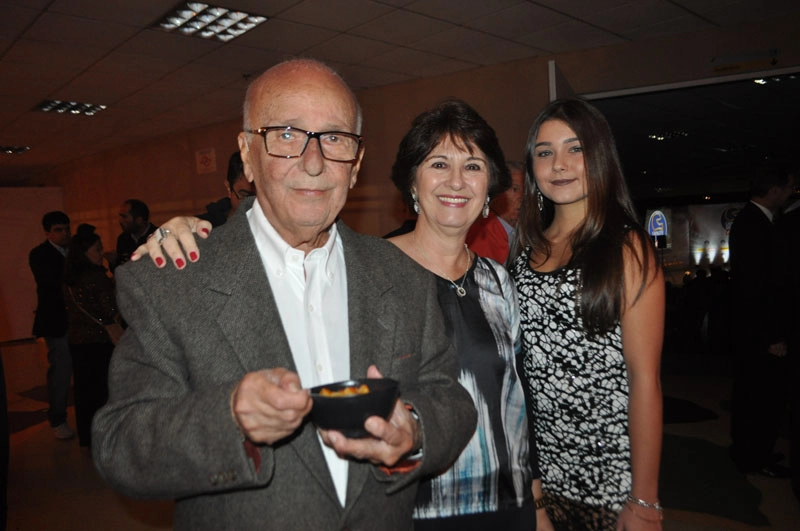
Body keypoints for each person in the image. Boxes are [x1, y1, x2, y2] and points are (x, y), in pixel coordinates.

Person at [91, 58, 476, 531]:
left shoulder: (403, 275)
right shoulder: (171, 280)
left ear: (355, 165)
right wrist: (228, 418)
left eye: (334, 138)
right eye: (287, 135)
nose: (313, 163)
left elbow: (451, 399)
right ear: (248, 154)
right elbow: (120, 444)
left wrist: (413, 429)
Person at [509, 98, 664, 530]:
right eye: (544, 152)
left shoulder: (627, 247)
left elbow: (645, 380)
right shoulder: (524, 250)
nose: (558, 164)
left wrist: (645, 499)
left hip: (609, 479)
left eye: (574, 148)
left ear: (600, 156)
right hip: (538, 475)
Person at [386, 100, 536, 529]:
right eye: (438, 163)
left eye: (472, 166)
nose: (456, 181)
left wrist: (537, 499)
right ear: (413, 182)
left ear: (489, 187)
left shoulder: (498, 281)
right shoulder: (374, 274)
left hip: (509, 504)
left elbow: (519, 398)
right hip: (416, 510)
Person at [728, 165, 795, 478]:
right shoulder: (755, 224)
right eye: (788, 188)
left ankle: (751, 452)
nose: (791, 193)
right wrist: (774, 335)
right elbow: (759, 287)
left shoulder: (751, 221)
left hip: (752, 328)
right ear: (774, 191)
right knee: (762, 396)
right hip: (759, 330)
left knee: (752, 394)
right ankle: (754, 457)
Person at [63, 224, 117, 448]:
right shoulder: (97, 277)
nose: (101, 252)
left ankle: (87, 436)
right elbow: (111, 310)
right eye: (97, 249)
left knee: (85, 393)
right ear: (84, 253)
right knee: (103, 391)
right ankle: (106, 437)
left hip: (77, 342)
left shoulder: (69, 279)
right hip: (100, 342)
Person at [28, 210, 74, 440]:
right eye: (59, 230)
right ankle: (57, 418)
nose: (65, 233)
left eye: (67, 228)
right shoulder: (39, 254)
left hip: (77, 320)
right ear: (47, 233)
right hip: (56, 320)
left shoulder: (73, 250)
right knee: (61, 370)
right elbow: (51, 283)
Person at [466, 160, 524, 263]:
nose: (522, 197)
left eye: (526, 191)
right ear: (497, 192)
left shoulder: (527, 234)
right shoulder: (481, 236)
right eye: (515, 189)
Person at [197, 151, 255, 226]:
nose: (252, 204)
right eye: (244, 196)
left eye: (258, 197)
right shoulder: (206, 225)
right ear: (228, 188)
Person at [110, 199, 156, 269]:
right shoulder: (123, 239)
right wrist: (113, 262)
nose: (120, 221)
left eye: (124, 217)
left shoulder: (157, 236)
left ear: (139, 220)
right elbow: (121, 270)